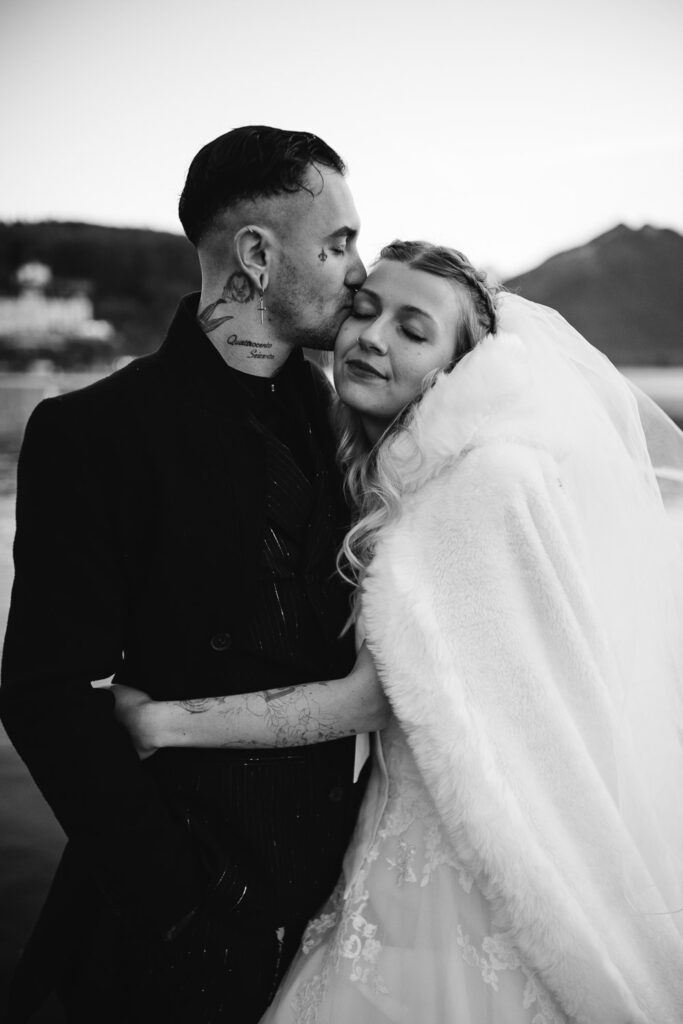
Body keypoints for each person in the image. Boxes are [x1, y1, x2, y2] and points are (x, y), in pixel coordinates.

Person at [115, 241, 683, 1023]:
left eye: (412, 330)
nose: (371, 337)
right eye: (364, 308)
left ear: (456, 369)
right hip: (398, 831)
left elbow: (372, 701)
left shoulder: (480, 482)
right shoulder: (414, 468)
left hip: (457, 866)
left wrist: (163, 723)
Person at [0, 126, 385, 1024]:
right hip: (171, 936)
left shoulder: (346, 423)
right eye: (336, 244)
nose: (357, 271)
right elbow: (46, 694)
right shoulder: (95, 433)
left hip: (338, 911)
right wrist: (181, 902)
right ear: (255, 253)